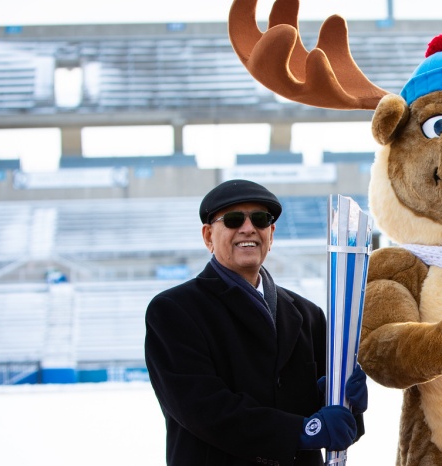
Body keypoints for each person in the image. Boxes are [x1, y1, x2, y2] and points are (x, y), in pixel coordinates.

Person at [145, 179, 367, 466]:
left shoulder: (308, 314)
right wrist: (302, 431)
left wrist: (345, 401)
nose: (248, 228)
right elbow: (203, 409)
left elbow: (339, 428)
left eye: (260, 219)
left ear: (270, 234)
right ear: (208, 236)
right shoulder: (174, 311)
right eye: (233, 219)